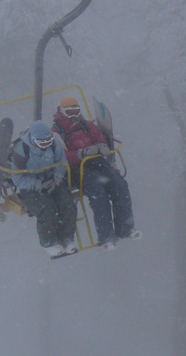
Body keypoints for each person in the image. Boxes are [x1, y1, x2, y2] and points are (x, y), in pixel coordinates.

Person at [52, 96, 140, 250]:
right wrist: (80, 154)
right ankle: (106, 236)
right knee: (98, 194)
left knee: (120, 185)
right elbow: (60, 156)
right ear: (62, 111)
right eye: (69, 111)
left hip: (96, 162)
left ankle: (125, 228)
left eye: (76, 111)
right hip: (76, 169)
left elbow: (99, 137)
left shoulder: (86, 125)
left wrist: (102, 146)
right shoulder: (57, 132)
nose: (73, 115)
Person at [10, 119, 77, 258]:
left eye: (48, 141)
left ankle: (67, 239)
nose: (46, 145)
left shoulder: (54, 146)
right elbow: (17, 178)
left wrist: (56, 179)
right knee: (46, 210)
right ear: (34, 140)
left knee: (68, 204)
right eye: (42, 143)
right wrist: (37, 184)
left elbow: (61, 163)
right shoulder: (22, 151)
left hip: (51, 180)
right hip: (31, 186)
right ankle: (49, 243)